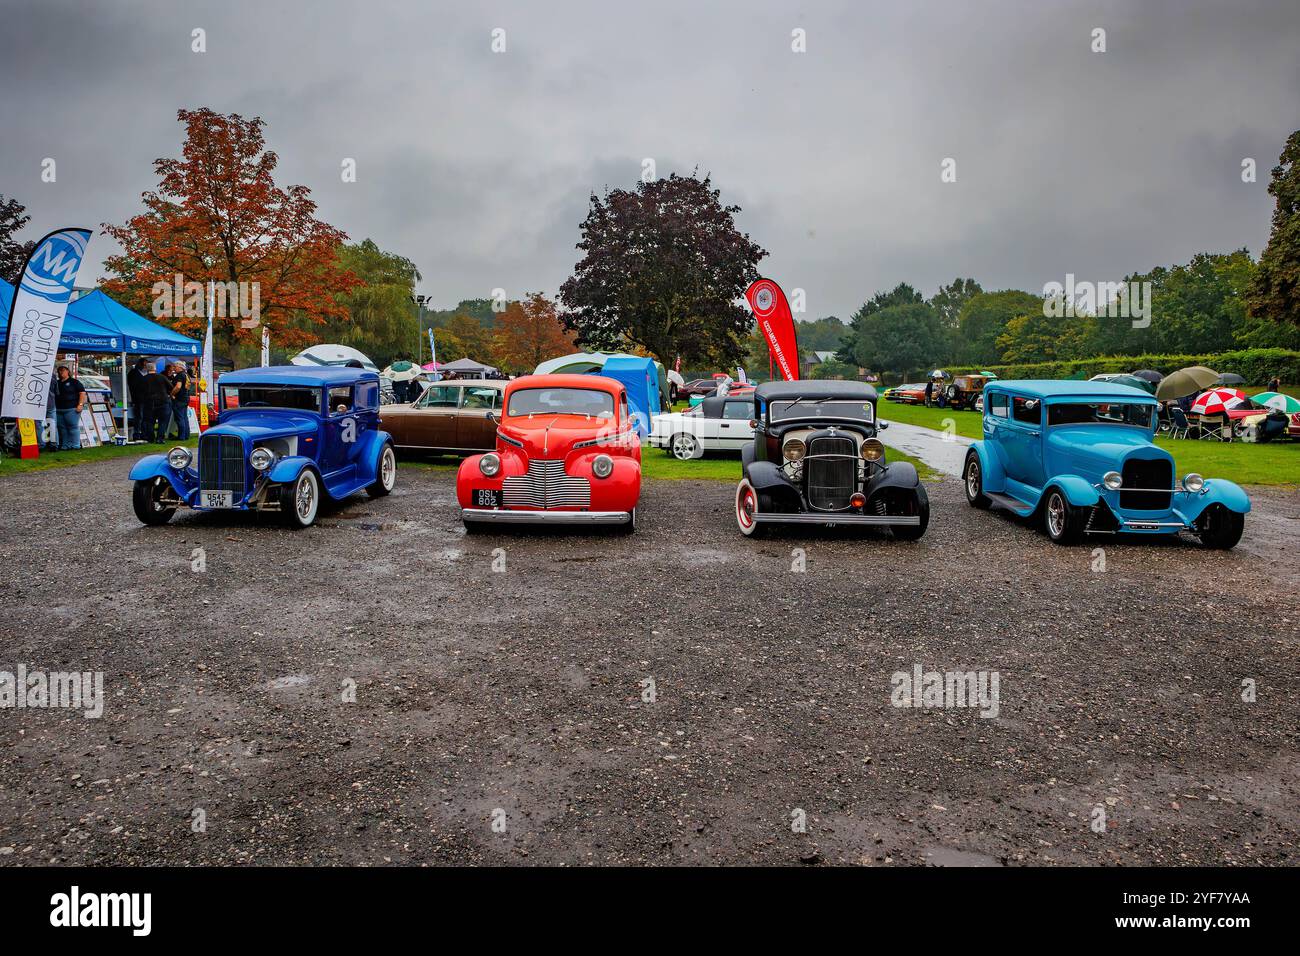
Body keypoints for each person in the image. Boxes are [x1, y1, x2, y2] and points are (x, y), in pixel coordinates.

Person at [51, 365, 87, 451]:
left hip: (72, 409)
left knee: (73, 427)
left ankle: (75, 445)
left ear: (68, 371)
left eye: (63, 370)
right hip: (59, 409)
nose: (61, 372)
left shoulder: (74, 382)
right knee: (62, 428)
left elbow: (82, 393)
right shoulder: (57, 382)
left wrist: (80, 404)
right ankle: (65, 445)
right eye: (59, 371)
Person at [143, 362, 173, 442]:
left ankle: (150, 438)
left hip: (149, 402)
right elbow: (171, 387)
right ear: (155, 369)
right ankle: (160, 438)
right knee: (162, 421)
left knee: (150, 422)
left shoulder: (144, 379)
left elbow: (139, 391)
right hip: (163, 401)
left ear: (147, 369)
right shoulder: (162, 377)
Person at [127, 357, 150, 440]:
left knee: (144, 417)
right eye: (145, 364)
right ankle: (137, 434)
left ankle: (143, 433)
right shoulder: (134, 373)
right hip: (138, 398)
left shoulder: (144, 372)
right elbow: (134, 386)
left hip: (145, 398)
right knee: (139, 416)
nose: (146, 365)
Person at [168, 362, 191, 441]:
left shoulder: (180, 375)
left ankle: (181, 437)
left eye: (175, 366)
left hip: (179, 399)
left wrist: (171, 394)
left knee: (180, 418)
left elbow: (178, 386)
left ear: (180, 367)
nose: (174, 368)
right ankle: (186, 435)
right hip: (186, 398)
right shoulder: (186, 375)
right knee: (184, 418)